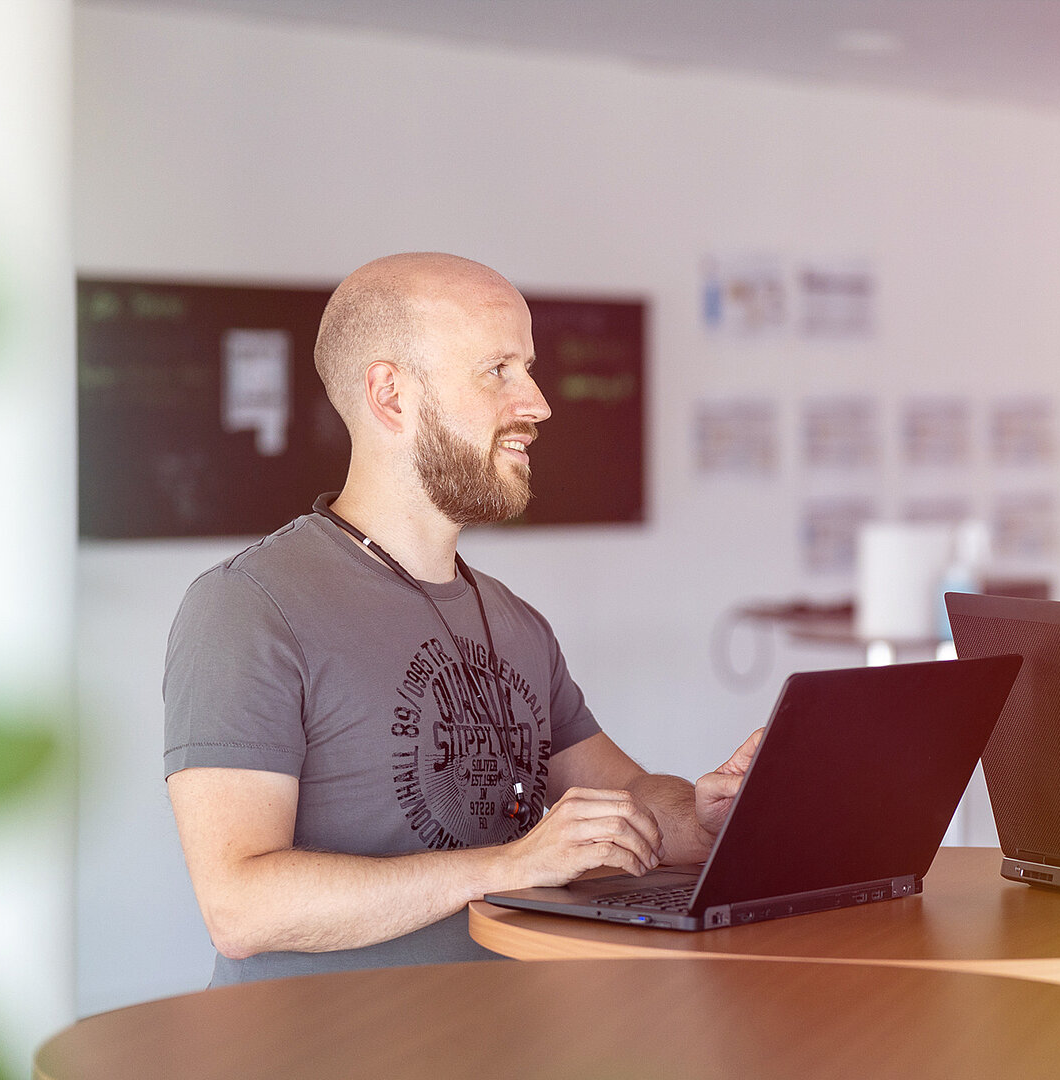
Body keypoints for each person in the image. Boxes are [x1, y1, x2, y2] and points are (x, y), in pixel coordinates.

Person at [164, 252, 760, 985]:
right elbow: (241, 908)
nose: (538, 402)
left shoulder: (515, 621)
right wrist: (507, 867)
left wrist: (712, 815)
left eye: (529, 369)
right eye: (498, 370)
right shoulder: (248, 606)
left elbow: (625, 806)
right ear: (391, 397)